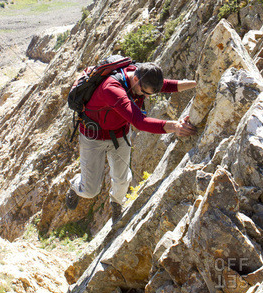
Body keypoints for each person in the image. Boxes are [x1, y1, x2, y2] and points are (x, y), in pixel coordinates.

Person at [66, 62, 197, 223]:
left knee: (122, 180)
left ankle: (116, 203)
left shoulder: (143, 77)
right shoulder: (111, 89)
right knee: (90, 190)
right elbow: (140, 122)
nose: (146, 97)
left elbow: (167, 85)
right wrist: (175, 126)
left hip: (119, 134)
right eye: (145, 93)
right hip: (93, 138)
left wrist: (197, 83)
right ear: (135, 79)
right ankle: (75, 186)